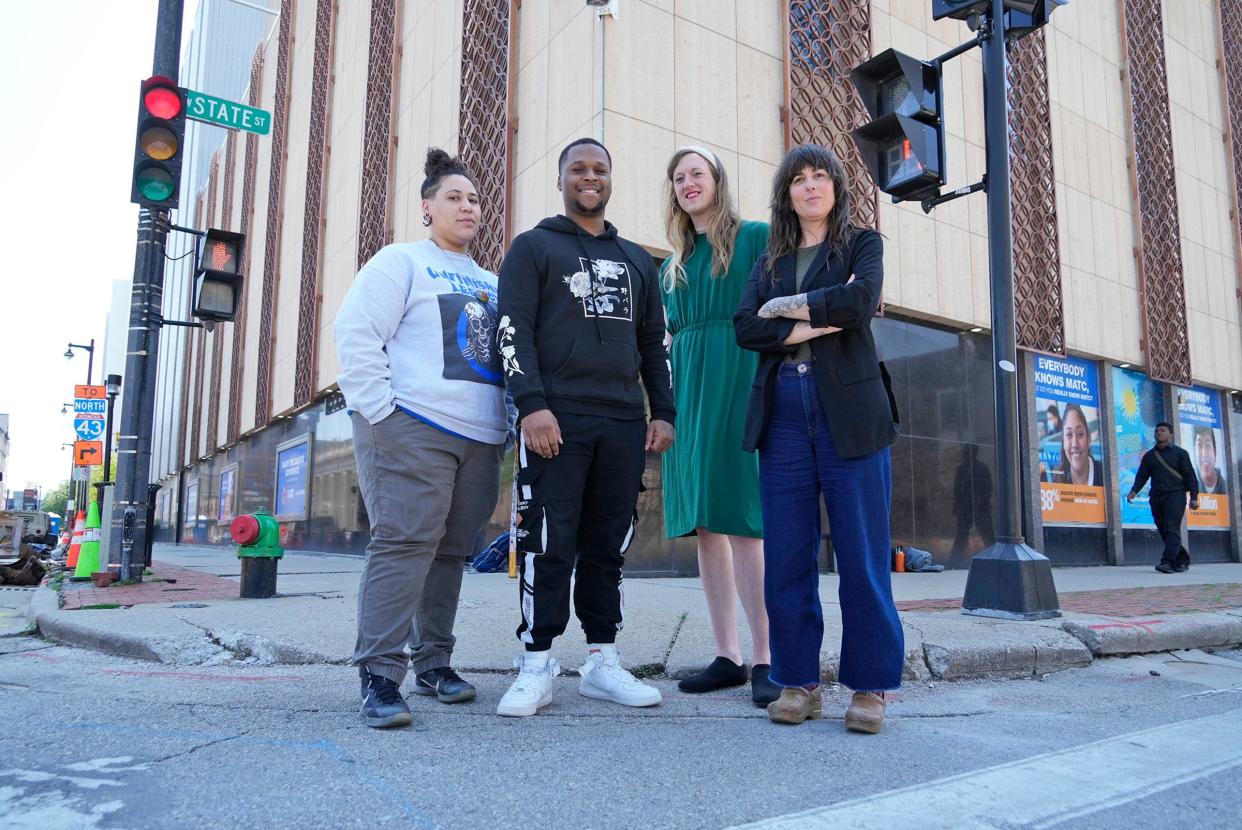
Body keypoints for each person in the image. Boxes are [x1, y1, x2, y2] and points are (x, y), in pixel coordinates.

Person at [495, 137, 675, 717]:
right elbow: (512, 330)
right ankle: (536, 663)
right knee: (546, 541)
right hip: (556, 417)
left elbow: (653, 343)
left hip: (623, 421)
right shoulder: (532, 248)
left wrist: (663, 411)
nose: (589, 177)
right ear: (561, 179)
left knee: (607, 546)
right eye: (579, 169)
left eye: (599, 169)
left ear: (611, 180)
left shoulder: (637, 260)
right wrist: (531, 406)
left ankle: (602, 661)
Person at [335, 148, 508, 728]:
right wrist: (381, 414)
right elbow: (357, 334)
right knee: (404, 544)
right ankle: (380, 676)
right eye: (454, 197)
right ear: (427, 208)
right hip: (412, 425)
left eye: (474, 199)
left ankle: (434, 663)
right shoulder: (400, 261)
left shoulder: (492, 281)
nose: (467, 206)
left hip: (480, 438)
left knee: (450, 553)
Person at [734, 143, 903, 732]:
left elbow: (861, 301)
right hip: (782, 409)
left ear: (836, 186)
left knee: (861, 553)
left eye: (819, 176)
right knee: (786, 554)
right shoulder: (769, 258)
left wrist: (793, 307)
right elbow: (746, 326)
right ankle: (798, 681)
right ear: (786, 194)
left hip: (849, 410)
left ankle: (871, 685)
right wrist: (819, 319)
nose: (809, 186)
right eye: (798, 179)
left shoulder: (862, 244)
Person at [659, 145, 780, 706]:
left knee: (744, 522)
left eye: (697, 174)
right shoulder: (672, 265)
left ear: (717, 181)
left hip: (739, 383)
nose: (688, 183)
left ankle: (766, 657)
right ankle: (727, 655)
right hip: (688, 394)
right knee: (706, 524)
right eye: (679, 177)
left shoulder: (754, 237)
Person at [1127, 422, 1198, 574]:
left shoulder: (1180, 454)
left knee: (1171, 528)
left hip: (1176, 495)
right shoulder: (1150, 456)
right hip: (1156, 498)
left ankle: (1167, 562)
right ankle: (1181, 558)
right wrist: (1134, 490)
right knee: (1165, 530)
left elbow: (1190, 476)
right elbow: (1142, 475)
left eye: (1163, 430)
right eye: (1157, 431)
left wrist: (1194, 497)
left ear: (1170, 434)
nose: (1159, 433)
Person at [1041, 403, 1103, 486]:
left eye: (1080, 434)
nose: (1075, 444)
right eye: (1069, 435)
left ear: (1089, 439)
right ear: (1063, 442)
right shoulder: (1057, 480)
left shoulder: (1104, 475)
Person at [1193, 426, 1226, 495]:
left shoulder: (1227, 487)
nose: (1204, 453)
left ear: (1215, 452)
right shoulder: (1187, 485)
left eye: (1208, 445)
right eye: (1199, 445)